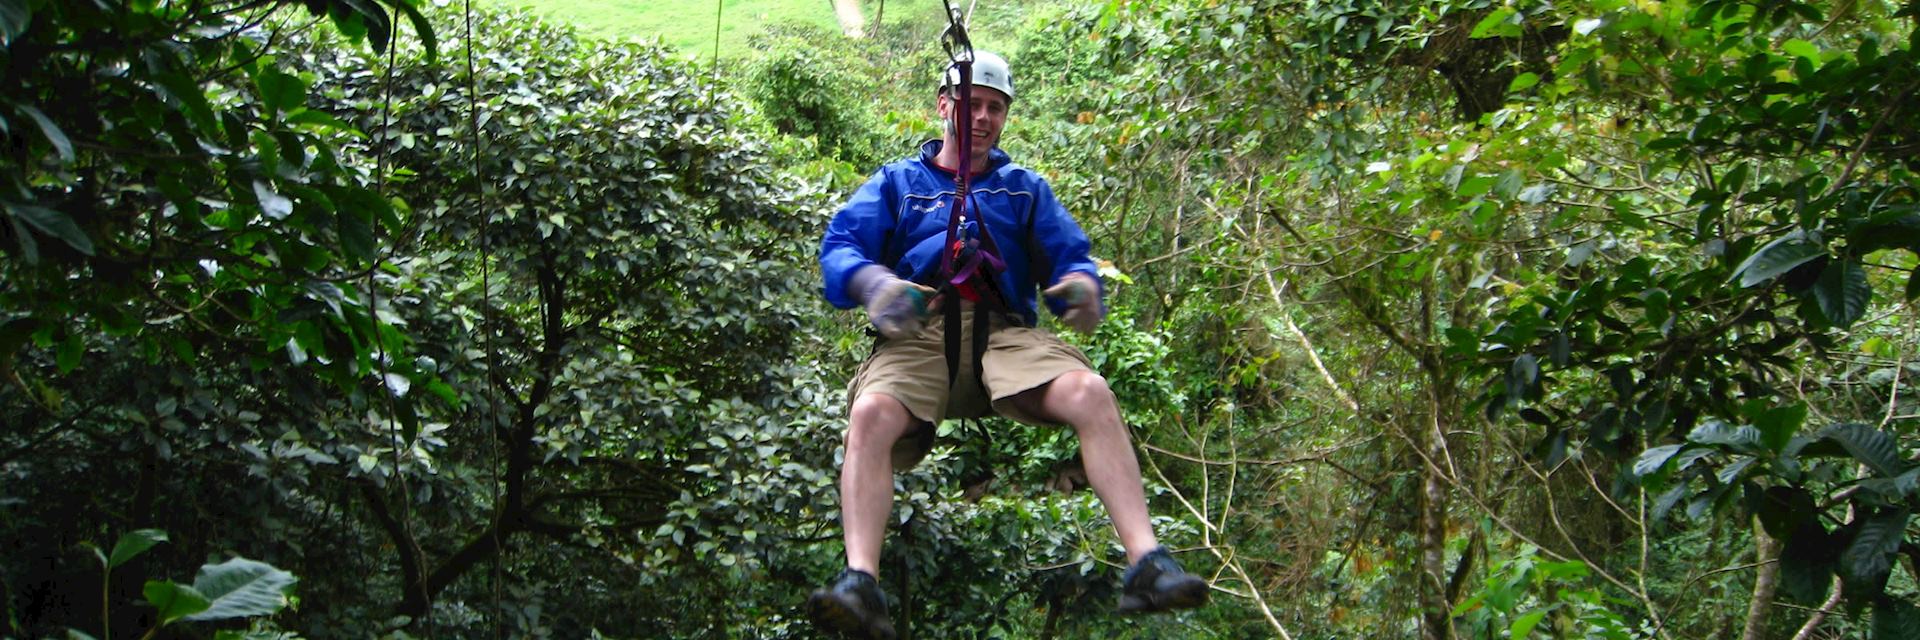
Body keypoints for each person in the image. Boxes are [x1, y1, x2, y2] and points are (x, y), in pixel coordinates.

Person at [807, 50, 1208, 638]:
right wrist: (875, 283)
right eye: (971, 105)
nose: (982, 118)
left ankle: (1147, 563)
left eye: (995, 108)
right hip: (918, 336)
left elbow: (1067, 257)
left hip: (1004, 335)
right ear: (944, 106)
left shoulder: (1023, 190)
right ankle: (860, 581)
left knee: (1090, 392)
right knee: (869, 413)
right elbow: (841, 245)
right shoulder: (898, 184)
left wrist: (1079, 287)